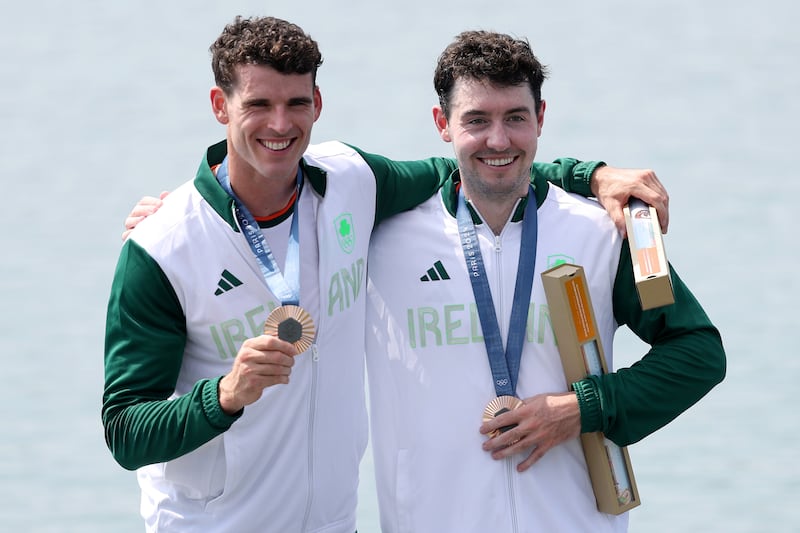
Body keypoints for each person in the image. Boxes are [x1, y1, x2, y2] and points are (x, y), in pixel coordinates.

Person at [105, 16, 670, 533]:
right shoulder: (162, 245)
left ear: (318, 104)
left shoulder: (353, 184)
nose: (280, 125)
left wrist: (591, 175)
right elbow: (125, 431)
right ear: (219, 105)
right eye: (258, 104)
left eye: (296, 103)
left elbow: (480, 165)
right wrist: (225, 396)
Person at [363, 31, 725, 532]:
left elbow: (698, 352)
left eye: (516, 117)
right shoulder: (380, 238)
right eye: (476, 120)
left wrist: (583, 408)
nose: (498, 139)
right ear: (442, 124)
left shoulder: (611, 229)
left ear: (541, 118)